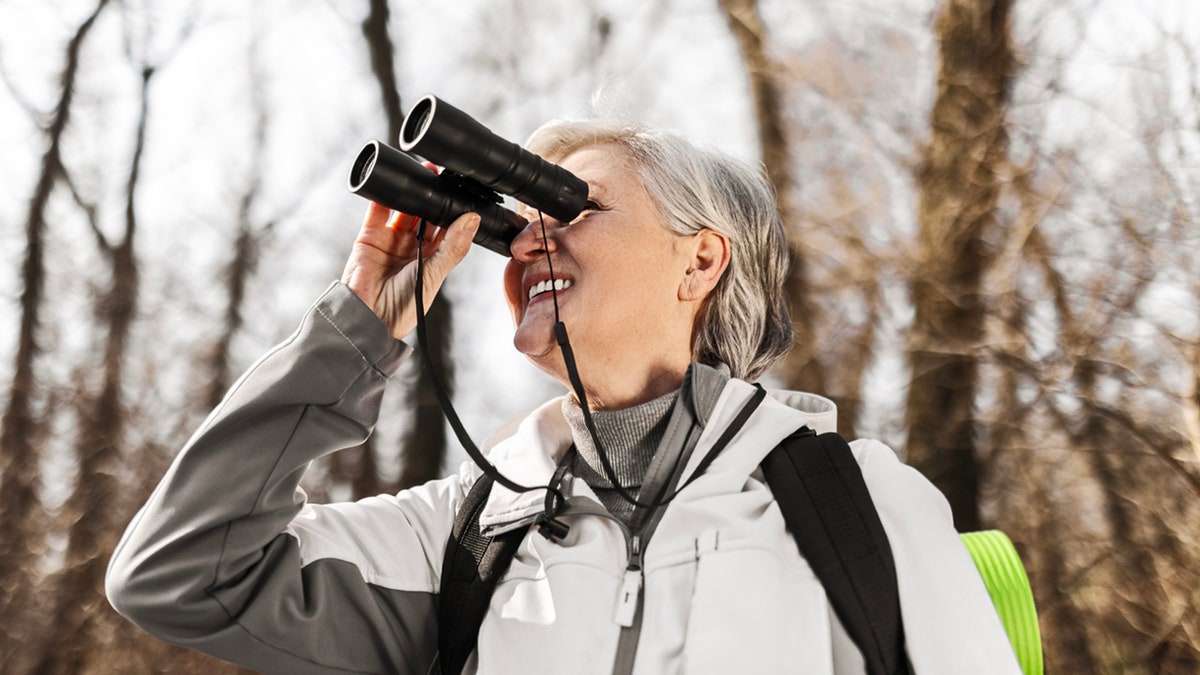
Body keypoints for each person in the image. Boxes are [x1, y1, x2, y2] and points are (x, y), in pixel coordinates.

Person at [106, 119, 1022, 674]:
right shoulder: (466, 532)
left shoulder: (860, 506)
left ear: (700, 259)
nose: (530, 244)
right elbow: (178, 573)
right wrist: (360, 326)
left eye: (570, 208)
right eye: (518, 228)